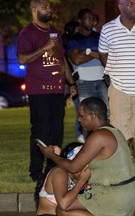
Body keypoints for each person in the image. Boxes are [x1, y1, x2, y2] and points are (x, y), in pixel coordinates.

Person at [38, 97, 135, 216]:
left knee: (63, 210)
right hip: (129, 193)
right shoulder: (114, 131)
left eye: (81, 116)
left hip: (117, 196)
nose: (79, 120)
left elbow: (73, 167)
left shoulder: (99, 136)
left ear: (92, 116)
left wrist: (51, 155)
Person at [17, 0, 77, 183]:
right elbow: (22, 58)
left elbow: (62, 59)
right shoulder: (27, 33)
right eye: (45, 7)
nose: (49, 10)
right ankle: (36, 172)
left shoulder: (55, 33)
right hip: (39, 92)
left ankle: (53, 168)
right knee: (41, 132)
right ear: (35, 10)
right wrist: (44, 47)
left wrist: (71, 82)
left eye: (50, 7)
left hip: (57, 91)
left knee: (56, 131)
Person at [98, 0, 135, 178]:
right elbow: (102, 52)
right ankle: (124, 165)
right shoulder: (108, 28)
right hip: (119, 86)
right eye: (129, 3)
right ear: (119, 6)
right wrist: (112, 70)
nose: (134, 5)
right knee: (120, 128)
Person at [35, 142, 92, 216]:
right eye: (81, 165)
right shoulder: (59, 172)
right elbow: (63, 204)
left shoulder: (76, 177)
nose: (85, 169)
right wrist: (82, 181)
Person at [67, 8, 108, 109]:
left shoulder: (100, 37)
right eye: (87, 18)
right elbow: (76, 60)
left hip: (101, 81)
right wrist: (96, 53)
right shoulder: (74, 39)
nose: (91, 21)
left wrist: (86, 51)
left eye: (92, 18)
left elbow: (107, 57)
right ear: (80, 21)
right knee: (88, 115)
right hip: (84, 82)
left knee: (105, 113)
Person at [62, 20, 85, 143]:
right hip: (74, 81)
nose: (79, 31)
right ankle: (80, 133)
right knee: (80, 108)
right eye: (77, 29)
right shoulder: (67, 47)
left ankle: (83, 133)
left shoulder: (77, 43)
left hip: (80, 78)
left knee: (84, 107)